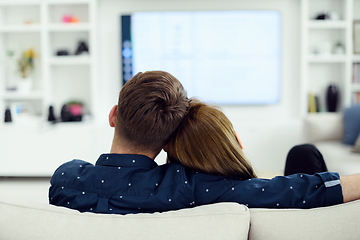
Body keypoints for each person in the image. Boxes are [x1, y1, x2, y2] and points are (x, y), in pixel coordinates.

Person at [49, 71, 357, 214]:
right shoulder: (189, 186)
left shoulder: (65, 179)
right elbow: (292, 190)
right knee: (305, 155)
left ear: (113, 115)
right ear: (170, 140)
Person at [166, 99, 360, 207]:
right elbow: (310, 188)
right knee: (303, 154)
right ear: (236, 140)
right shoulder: (259, 193)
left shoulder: (159, 189)